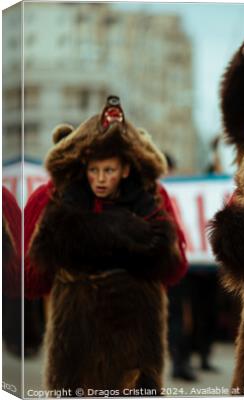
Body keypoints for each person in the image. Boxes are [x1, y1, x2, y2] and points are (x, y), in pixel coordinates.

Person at [26, 96, 187, 392]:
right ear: (84, 165)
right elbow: (30, 278)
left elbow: (175, 268)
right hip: (77, 338)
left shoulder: (152, 199)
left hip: (135, 338)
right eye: (94, 170)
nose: (100, 179)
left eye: (109, 170)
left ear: (125, 169)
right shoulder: (52, 197)